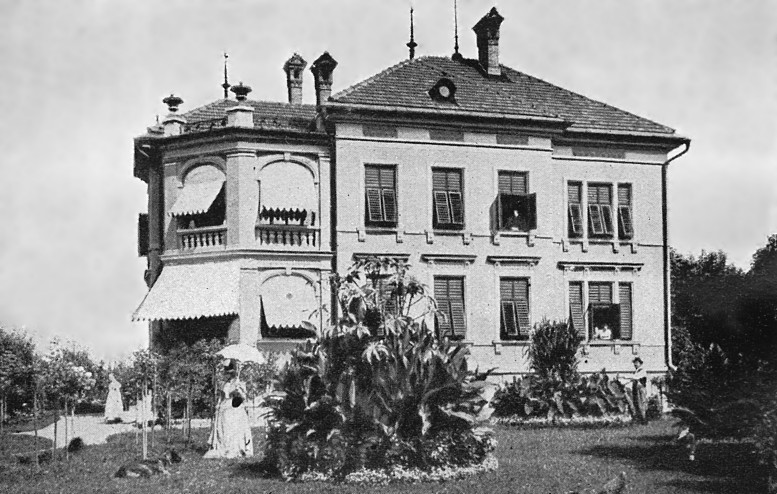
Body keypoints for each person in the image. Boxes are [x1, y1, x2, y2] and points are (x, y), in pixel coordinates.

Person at [204, 360, 253, 459]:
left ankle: (235, 449)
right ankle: (223, 448)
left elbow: (243, 398)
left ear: (235, 372)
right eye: (228, 373)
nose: (229, 375)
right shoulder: (225, 384)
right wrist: (218, 406)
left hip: (235, 409)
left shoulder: (239, 383)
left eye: (231, 373)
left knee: (234, 430)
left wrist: (238, 391)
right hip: (224, 408)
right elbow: (222, 397)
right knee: (223, 429)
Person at [629, 357, 648, 424]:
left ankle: (644, 420)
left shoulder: (642, 370)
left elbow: (636, 377)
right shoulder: (637, 371)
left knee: (642, 404)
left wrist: (625, 377)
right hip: (636, 389)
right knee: (637, 404)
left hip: (641, 389)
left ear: (640, 363)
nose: (635, 364)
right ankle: (640, 420)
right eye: (634, 363)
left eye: (637, 363)